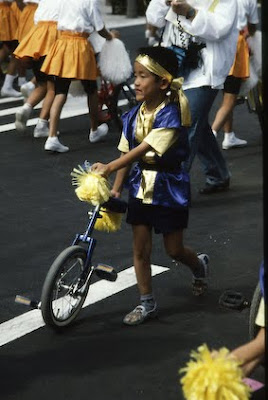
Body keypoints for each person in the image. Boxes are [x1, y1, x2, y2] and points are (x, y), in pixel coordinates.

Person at [91, 46, 210, 326]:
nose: (136, 82)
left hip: (169, 186)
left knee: (174, 250)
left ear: (163, 82)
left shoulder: (172, 114)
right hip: (140, 186)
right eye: (135, 76)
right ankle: (147, 303)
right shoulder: (132, 115)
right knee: (140, 249)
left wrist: (108, 168)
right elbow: (126, 153)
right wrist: (117, 188)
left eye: (143, 76)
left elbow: (145, 147)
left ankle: (199, 265)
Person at [146, 0, 239, 194]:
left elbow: (219, 29)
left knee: (184, 126)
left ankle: (172, 187)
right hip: (176, 68)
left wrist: (189, 12)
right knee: (197, 124)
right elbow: (153, 18)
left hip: (205, 73)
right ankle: (218, 173)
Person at [39, 0, 118, 153]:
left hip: (62, 43)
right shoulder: (90, 1)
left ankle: (52, 137)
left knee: (60, 91)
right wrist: (110, 37)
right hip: (80, 46)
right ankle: (94, 130)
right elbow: (100, 27)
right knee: (91, 89)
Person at [212, 0, 259, 150]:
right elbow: (252, 26)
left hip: (216, 48)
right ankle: (211, 134)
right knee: (230, 98)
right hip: (236, 48)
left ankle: (229, 135)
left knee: (226, 95)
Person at [13, 0, 62, 137]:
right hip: (53, 39)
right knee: (54, 87)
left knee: (42, 84)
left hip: (36, 38)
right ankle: (41, 124)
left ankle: (25, 108)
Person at [0, 0, 21, 97]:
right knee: (15, 51)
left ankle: (7, 85)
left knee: (8, 49)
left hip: (6, 11)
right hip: (4, 13)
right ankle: (7, 86)